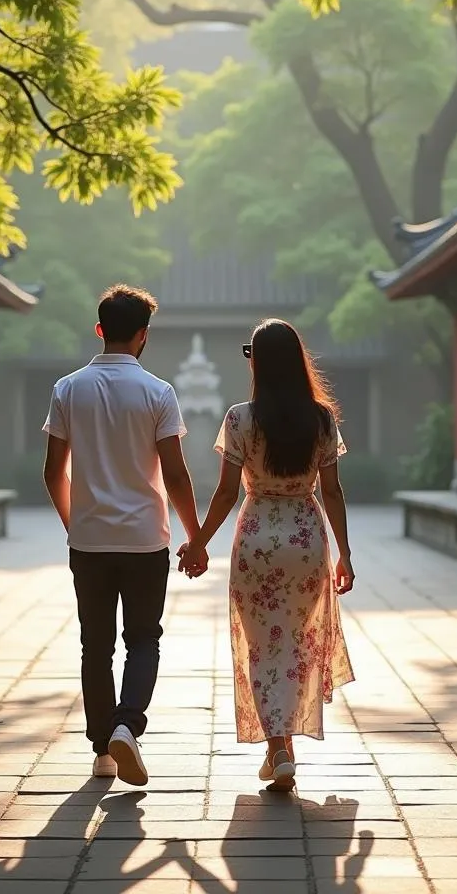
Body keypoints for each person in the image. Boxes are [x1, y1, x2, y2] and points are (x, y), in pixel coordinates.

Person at [179, 318, 355, 791]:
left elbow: (223, 495)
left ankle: (278, 747)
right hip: (306, 538)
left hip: (257, 538)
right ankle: (285, 749)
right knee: (297, 645)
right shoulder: (321, 419)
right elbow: (333, 492)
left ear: (257, 362)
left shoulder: (240, 419)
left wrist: (197, 543)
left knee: (262, 647)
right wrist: (345, 554)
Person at [42, 285, 205, 787]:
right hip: (144, 540)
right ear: (143, 336)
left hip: (89, 540)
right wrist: (195, 536)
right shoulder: (158, 392)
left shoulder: (68, 388)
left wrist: (78, 525)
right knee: (143, 640)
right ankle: (127, 725)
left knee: (96, 645)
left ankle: (103, 751)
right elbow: (175, 476)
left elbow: (53, 472)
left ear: (99, 331)